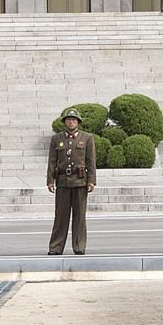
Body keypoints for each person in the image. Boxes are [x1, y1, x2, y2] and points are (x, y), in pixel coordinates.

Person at [46, 108, 96, 255]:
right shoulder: (57, 139)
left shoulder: (87, 138)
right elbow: (52, 161)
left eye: (74, 120)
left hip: (80, 181)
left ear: (78, 122)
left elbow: (90, 161)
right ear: (64, 122)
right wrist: (50, 180)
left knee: (79, 216)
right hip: (62, 181)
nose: (71, 122)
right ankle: (56, 247)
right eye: (68, 119)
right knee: (61, 216)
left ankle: (79, 246)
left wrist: (91, 180)